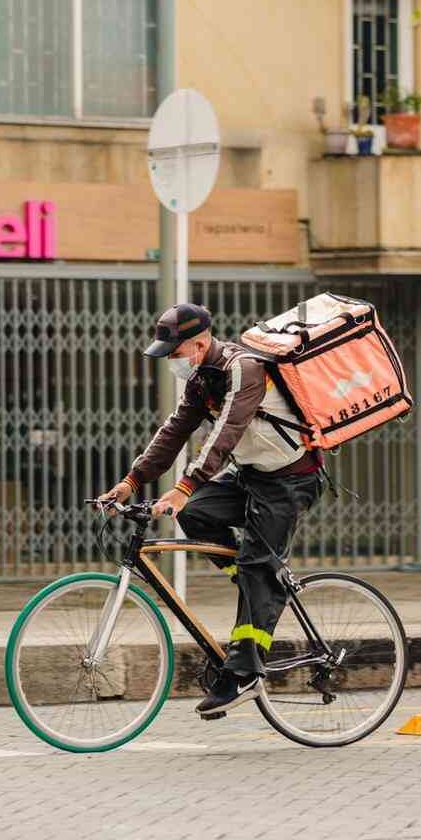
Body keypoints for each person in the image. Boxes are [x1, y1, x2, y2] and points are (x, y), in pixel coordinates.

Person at [98, 303, 324, 716]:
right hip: (251, 476)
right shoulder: (201, 380)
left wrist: (184, 486)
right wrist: (131, 482)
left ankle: (244, 674)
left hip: (291, 479)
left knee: (256, 564)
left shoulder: (245, 370)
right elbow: (174, 432)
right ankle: (255, 581)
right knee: (196, 513)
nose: (170, 361)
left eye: (175, 353)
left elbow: (225, 434)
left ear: (200, 344)